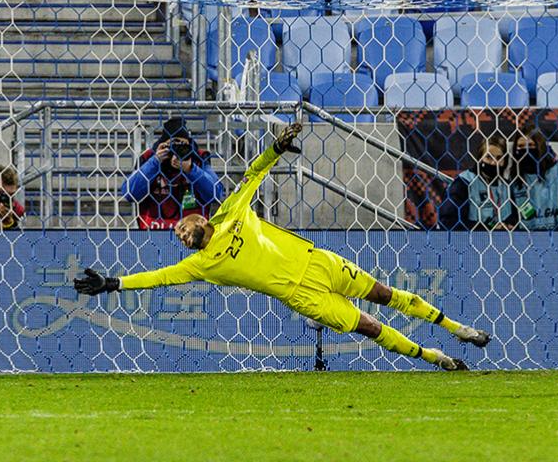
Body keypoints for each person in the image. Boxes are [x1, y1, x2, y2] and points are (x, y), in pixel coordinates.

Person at [76, 122, 492, 370]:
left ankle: (460, 330)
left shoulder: (230, 211)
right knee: (370, 327)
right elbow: (156, 279)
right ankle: (436, 358)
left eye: (183, 227)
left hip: (318, 262)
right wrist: (112, 283)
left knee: (384, 294)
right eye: (180, 239)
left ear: (199, 216)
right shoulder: (203, 265)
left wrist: (275, 147)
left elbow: (254, 173)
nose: (181, 234)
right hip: (302, 296)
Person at [121, 117, 224, 230]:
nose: (177, 151)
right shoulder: (148, 158)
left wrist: (191, 169)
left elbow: (216, 194)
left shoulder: (198, 159)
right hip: (153, 233)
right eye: (172, 146)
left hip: (192, 236)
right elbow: (129, 193)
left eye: (182, 146)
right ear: (163, 145)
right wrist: (155, 162)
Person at [511, 123, 558, 231]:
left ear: (540, 146)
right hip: (525, 242)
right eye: (521, 146)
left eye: (531, 145)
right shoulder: (514, 178)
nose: (526, 150)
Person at [438, 134, 514, 230]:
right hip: (470, 241)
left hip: (503, 242)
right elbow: (447, 222)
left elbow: (514, 218)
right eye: (488, 157)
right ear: (480, 158)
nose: (494, 163)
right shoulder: (464, 183)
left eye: (499, 158)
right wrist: (487, 228)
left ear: (505, 161)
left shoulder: (506, 186)